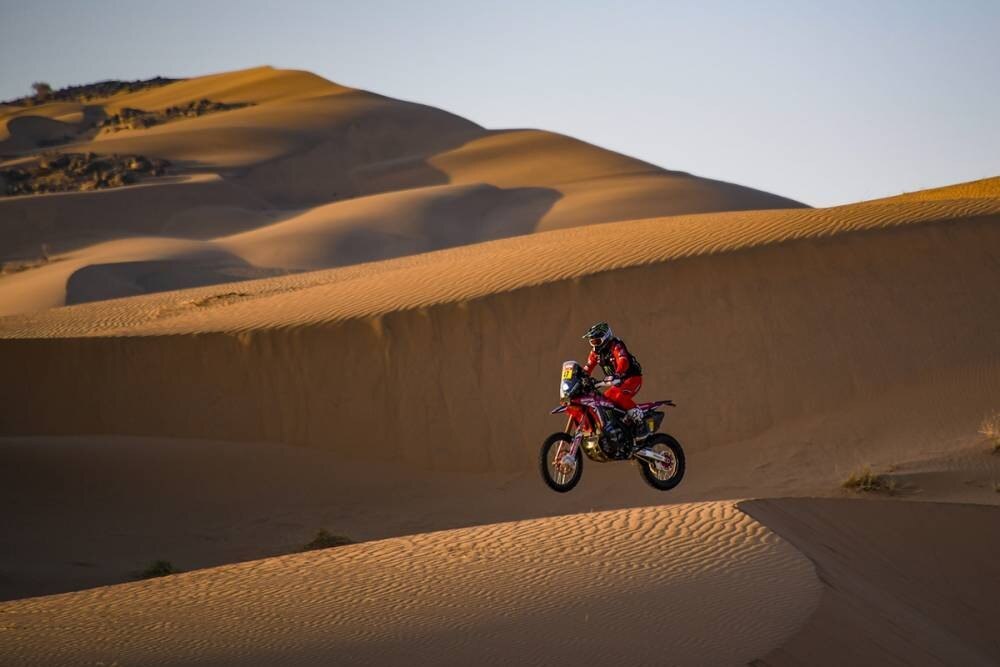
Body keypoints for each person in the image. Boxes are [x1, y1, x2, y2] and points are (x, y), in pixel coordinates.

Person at [581, 321, 644, 426]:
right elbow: (588, 367)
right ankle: (617, 425)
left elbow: (623, 360)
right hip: (617, 382)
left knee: (620, 397)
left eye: (597, 341)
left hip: (632, 378)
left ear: (605, 338)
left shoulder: (616, 345)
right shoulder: (595, 353)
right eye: (592, 342)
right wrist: (580, 377)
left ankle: (641, 423)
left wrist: (618, 373)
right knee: (603, 401)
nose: (594, 345)